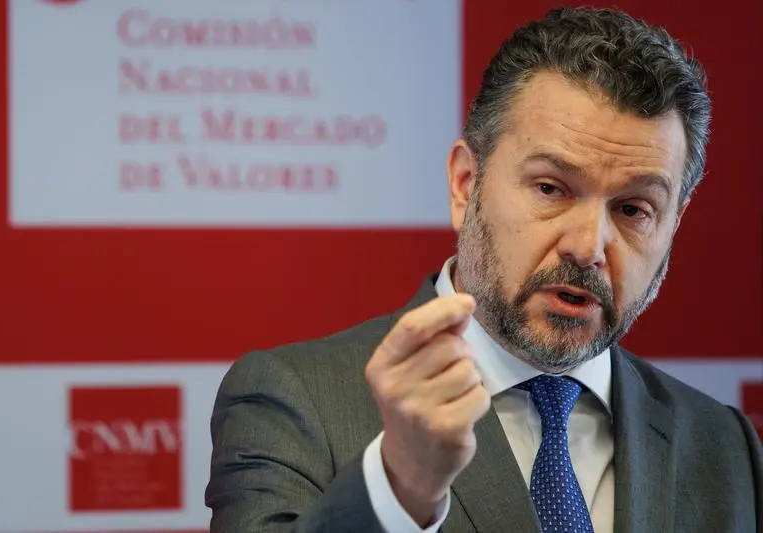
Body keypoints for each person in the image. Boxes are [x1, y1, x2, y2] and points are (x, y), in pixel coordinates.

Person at [205, 6, 762, 533]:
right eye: (551, 188)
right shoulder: (294, 401)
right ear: (465, 185)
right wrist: (401, 485)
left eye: (634, 209)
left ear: (673, 224)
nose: (588, 246)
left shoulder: (726, 446)